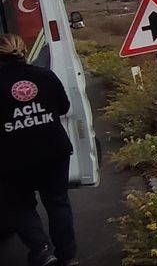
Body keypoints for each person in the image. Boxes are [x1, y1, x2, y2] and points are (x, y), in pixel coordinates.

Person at [0, 34, 78, 266]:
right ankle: (68, 256)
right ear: (25, 50)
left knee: (19, 204)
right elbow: (64, 107)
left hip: (13, 157)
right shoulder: (45, 75)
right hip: (54, 150)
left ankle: (42, 251)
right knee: (57, 200)